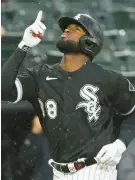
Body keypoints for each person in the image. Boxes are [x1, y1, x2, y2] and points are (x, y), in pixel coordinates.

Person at [1, 11, 135, 180]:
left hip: (96, 170)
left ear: (90, 42)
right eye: (66, 27)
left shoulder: (108, 78)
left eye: (76, 28)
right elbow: (3, 90)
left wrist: (120, 144)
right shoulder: (40, 76)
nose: (66, 30)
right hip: (58, 172)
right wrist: (23, 46)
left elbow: (132, 113)